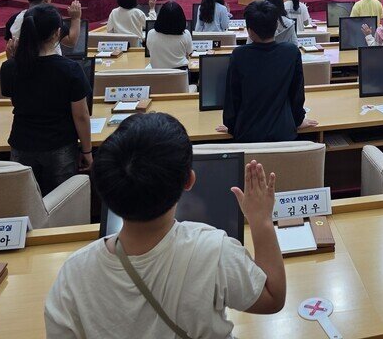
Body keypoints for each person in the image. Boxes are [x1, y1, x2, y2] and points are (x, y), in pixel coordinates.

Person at [44, 112, 286, 337]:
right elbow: (272, 297)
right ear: (190, 180)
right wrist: (261, 220)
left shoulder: (72, 274)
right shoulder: (214, 250)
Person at [0, 4, 93, 195]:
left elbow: (17, 100)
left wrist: (11, 58)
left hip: (21, 143)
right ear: (57, 33)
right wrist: (87, 151)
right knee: (61, 202)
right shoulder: (71, 69)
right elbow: (81, 115)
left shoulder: (9, 67)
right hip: (59, 146)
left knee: (26, 201)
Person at [218, 0, 317, 142]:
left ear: (250, 31)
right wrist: (298, 120)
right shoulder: (291, 52)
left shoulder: (239, 55)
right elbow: (297, 94)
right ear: (276, 25)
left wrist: (231, 125)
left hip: (247, 135)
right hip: (284, 134)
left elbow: (233, 97)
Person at [7, 0, 82, 56]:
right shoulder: (50, 18)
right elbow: (71, 41)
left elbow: (9, 48)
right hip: (50, 64)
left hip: (23, 65)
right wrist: (76, 18)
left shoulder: (14, 19)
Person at [146, 2, 193, 70]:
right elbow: (190, 52)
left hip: (156, 77)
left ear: (160, 18)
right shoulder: (186, 35)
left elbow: (150, 49)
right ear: (181, 19)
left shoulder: (151, 34)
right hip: (181, 77)